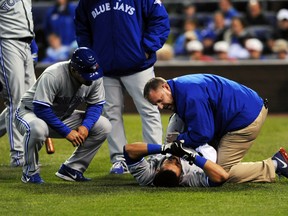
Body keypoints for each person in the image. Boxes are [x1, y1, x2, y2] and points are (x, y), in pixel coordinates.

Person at [74, 0, 170, 174]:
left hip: (138, 65)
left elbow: (160, 20)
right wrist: (90, 54)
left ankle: (155, 156)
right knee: (111, 113)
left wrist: (146, 49)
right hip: (105, 67)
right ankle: (120, 158)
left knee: (149, 109)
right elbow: (82, 26)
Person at [143, 74, 288, 183]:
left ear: (165, 87)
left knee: (220, 172)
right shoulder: (180, 87)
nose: (161, 107)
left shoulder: (189, 96)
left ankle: (276, 164)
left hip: (245, 119)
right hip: (244, 108)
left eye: (160, 100)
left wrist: (179, 141)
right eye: (156, 105)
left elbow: (203, 134)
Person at [14, 47, 112, 184]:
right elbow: (41, 109)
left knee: (104, 125)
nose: (91, 77)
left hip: (62, 116)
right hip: (30, 113)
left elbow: (96, 105)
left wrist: (86, 126)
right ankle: (30, 173)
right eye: (86, 73)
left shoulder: (94, 76)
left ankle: (72, 169)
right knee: (37, 128)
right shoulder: (54, 75)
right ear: (73, 69)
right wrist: (66, 132)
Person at [0, 0, 38, 167]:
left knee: (30, 101)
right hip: (7, 42)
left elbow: (26, 16)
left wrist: (33, 44)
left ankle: (27, 152)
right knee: (15, 101)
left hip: (26, 43)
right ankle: (18, 155)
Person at [124, 141, 229, 187]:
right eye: (177, 164)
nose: (174, 158)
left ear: (157, 170)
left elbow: (128, 150)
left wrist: (164, 148)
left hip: (179, 139)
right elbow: (222, 176)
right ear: (180, 178)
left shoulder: (147, 176)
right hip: (207, 145)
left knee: (178, 112)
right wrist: (191, 157)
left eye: (169, 160)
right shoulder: (189, 179)